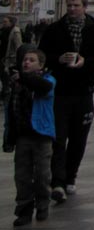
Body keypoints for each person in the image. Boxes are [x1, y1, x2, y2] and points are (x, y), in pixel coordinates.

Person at [38, 0, 94, 203]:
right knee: (58, 139)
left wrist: (85, 63)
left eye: (76, 5)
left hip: (84, 92)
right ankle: (57, 182)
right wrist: (57, 59)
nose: (71, 9)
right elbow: (42, 55)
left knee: (78, 139)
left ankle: (71, 176)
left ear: (84, 7)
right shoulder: (54, 30)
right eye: (69, 6)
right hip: (59, 93)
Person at [4, 46, 56, 226]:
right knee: (22, 176)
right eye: (25, 60)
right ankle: (24, 210)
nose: (26, 62)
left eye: (31, 60)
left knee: (42, 174)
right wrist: (9, 138)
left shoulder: (47, 79)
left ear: (41, 65)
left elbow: (43, 88)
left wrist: (23, 78)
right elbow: (11, 112)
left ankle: (43, 203)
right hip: (23, 137)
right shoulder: (17, 84)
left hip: (42, 135)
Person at [1, 15, 23, 99]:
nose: (3, 23)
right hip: (5, 58)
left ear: (11, 22)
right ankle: (6, 92)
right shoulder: (5, 30)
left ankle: (9, 94)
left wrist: (15, 57)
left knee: (9, 77)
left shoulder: (15, 31)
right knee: (4, 76)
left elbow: (18, 46)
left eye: (5, 21)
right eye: (3, 21)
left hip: (11, 60)